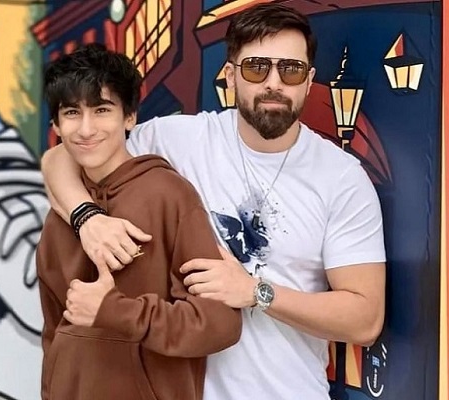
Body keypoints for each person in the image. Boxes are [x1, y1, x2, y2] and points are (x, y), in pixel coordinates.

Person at [41, 4, 386, 400]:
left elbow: (364, 319)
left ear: (308, 81)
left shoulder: (341, 178)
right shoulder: (182, 139)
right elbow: (65, 155)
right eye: (256, 68)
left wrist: (257, 292)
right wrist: (87, 218)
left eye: (290, 70)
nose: (274, 83)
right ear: (230, 75)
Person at [35, 43, 242, 400]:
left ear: (129, 117)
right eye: (72, 112)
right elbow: (55, 332)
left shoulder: (168, 195)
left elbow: (219, 324)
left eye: (102, 110)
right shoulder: (61, 215)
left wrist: (116, 312)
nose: (86, 129)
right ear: (56, 124)